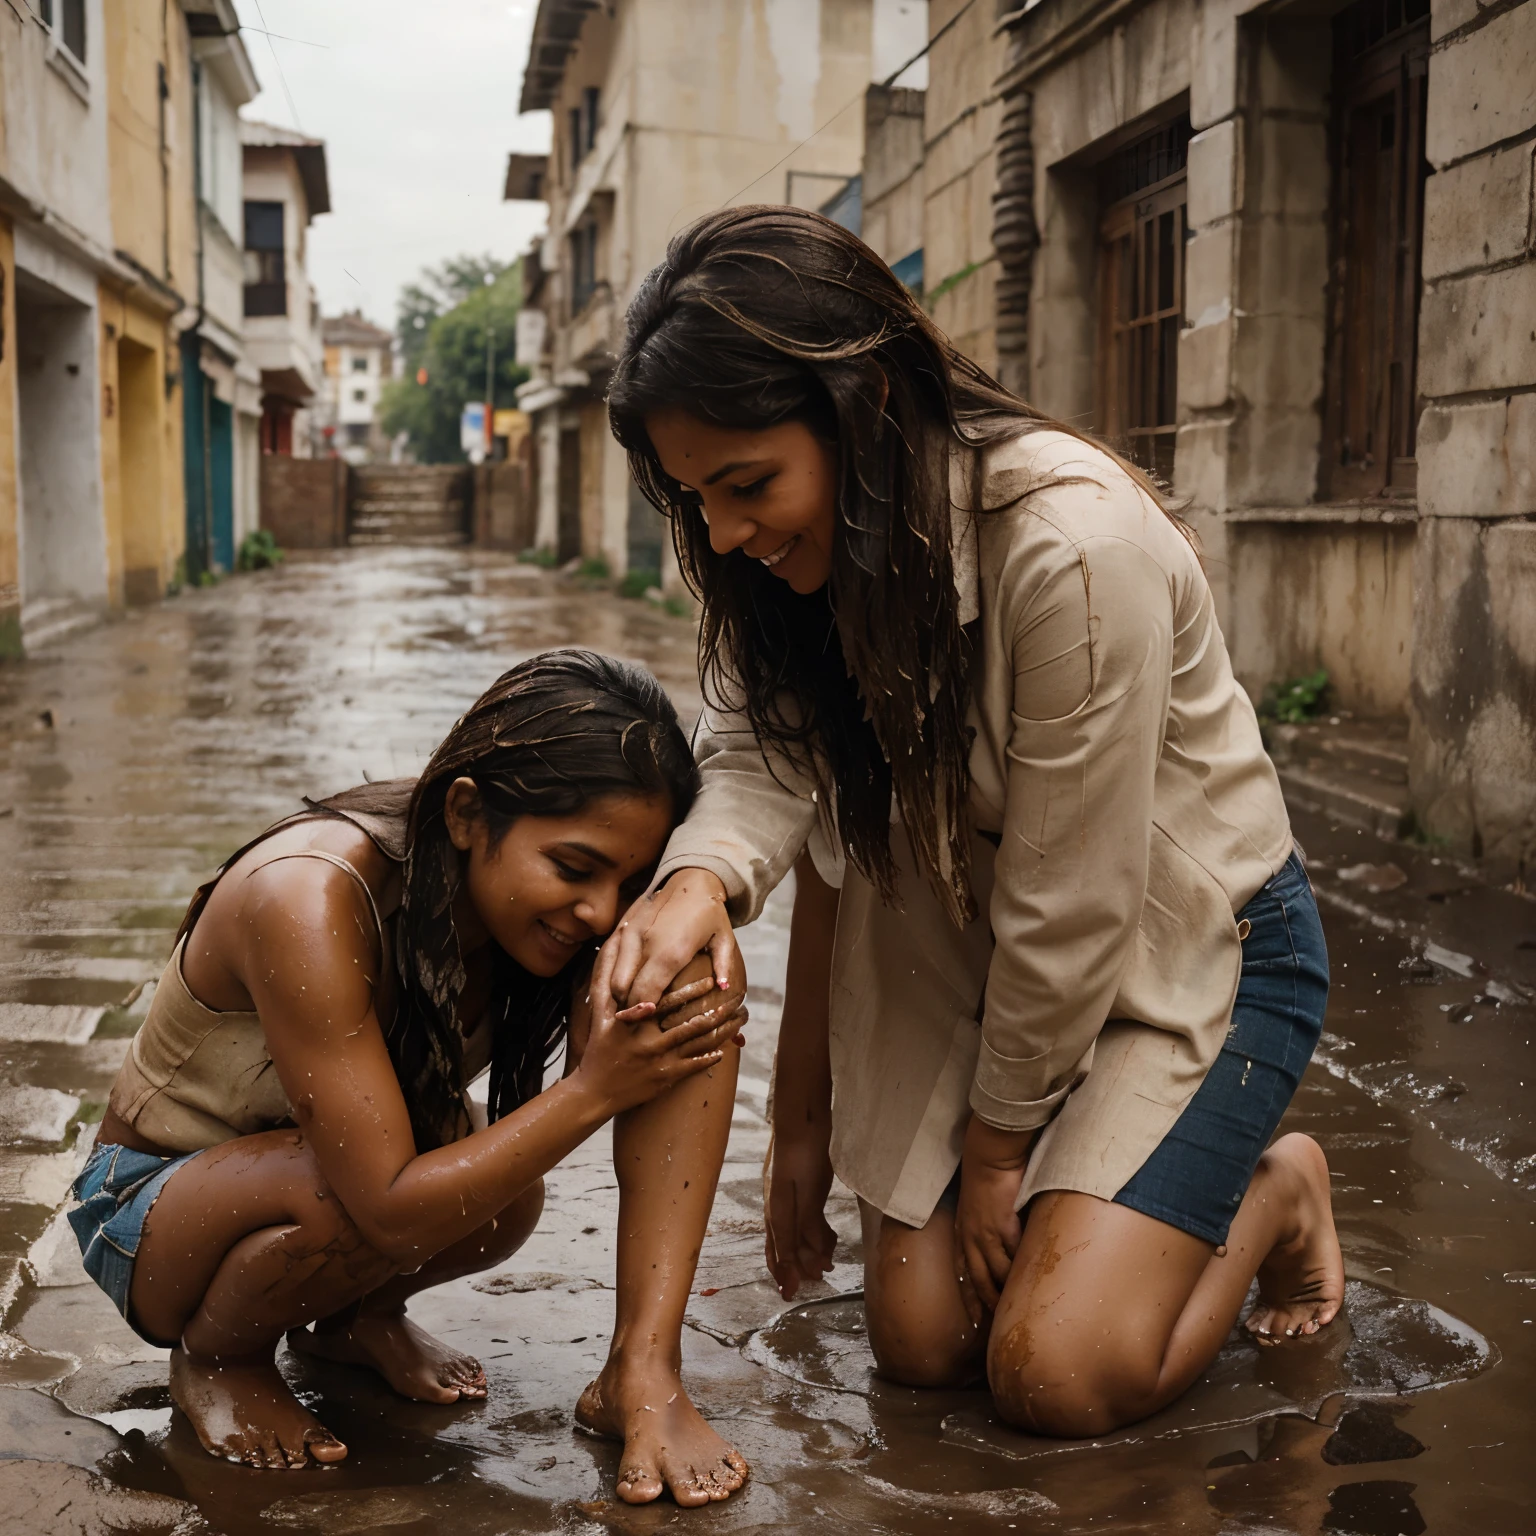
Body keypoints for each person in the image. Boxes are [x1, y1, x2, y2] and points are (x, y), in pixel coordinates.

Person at [601, 206, 1342, 1439]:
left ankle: (1278, 1192)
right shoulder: (785, 558)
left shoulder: (1071, 546)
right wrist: (701, 886)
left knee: (1054, 1373)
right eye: (699, 497)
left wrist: (998, 1156)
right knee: (925, 1344)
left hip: (1188, 951)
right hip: (979, 945)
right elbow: (767, 757)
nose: (725, 532)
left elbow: (1074, 901)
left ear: (863, 408)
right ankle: (1095, 1191)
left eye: (747, 486)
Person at [69, 651, 752, 1506]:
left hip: (330, 1171)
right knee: (355, 1194)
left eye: (627, 881)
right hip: (149, 1214)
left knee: (671, 994)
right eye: (575, 869)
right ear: (466, 814)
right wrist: (592, 1092)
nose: (602, 913)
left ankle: (384, 1327)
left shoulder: (540, 907)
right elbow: (385, 1199)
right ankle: (220, 1360)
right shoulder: (309, 898)